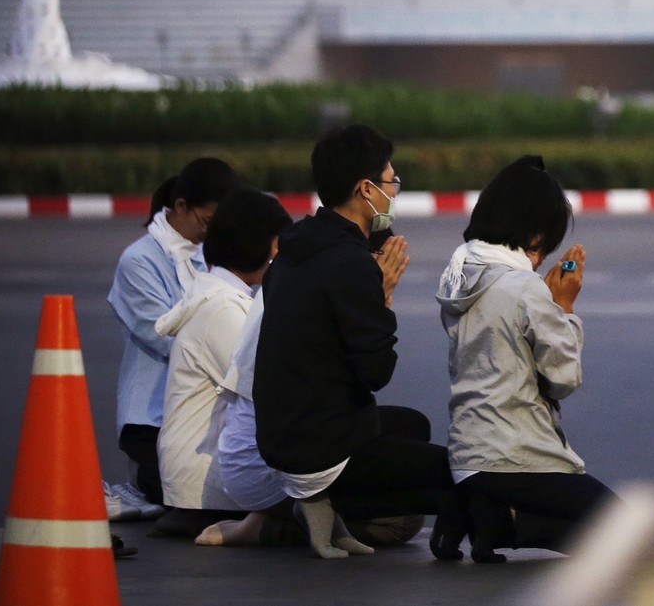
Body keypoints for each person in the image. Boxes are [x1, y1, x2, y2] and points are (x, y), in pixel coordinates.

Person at [253, 124, 459, 560]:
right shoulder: (349, 264)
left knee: (412, 426)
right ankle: (315, 502)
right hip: (323, 446)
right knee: (459, 474)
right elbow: (376, 373)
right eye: (391, 183)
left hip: (284, 435)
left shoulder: (294, 248)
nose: (395, 194)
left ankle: (317, 504)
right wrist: (381, 297)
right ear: (367, 190)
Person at [435, 156, 615, 563]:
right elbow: (562, 378)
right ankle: (499, 523)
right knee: (624, 531)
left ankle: (483, 511)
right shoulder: (524, 289)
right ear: (536, 236)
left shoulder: (460, 276)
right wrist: (564, 308)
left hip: (467, 452)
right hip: (514, 455)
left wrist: (544, 303)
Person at [153, 186, 290, 537]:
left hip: (203, 480)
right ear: (272, 246)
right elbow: (275, 387)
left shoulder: (222, 297)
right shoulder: (223, 309)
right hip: (205, 489)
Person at [108, 157, 238, 509]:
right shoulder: (139, 261)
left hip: (203, 408)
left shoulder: (207, 255)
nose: (213, 233)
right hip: (152, 417)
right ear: (181, 206)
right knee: (188, 497)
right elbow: (163, 335)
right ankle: (132, 489)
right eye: (208, 222)